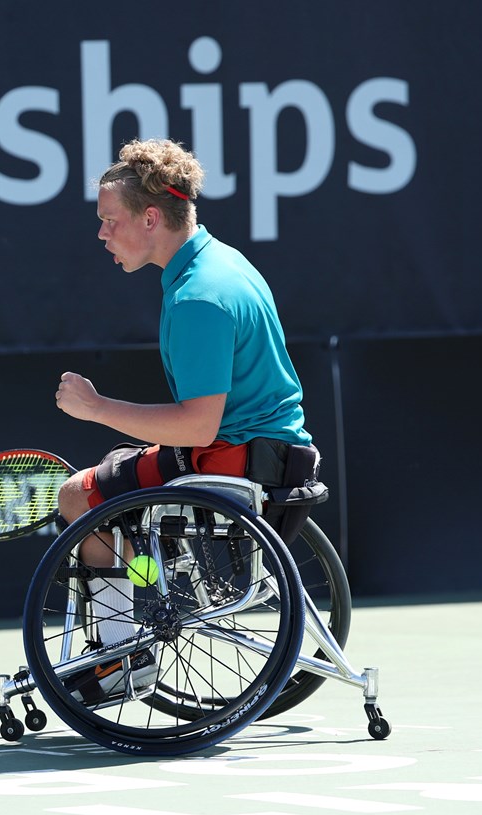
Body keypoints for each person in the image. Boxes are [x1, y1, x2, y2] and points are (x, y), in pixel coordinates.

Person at [53, 138, 319, 689]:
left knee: (79, 496)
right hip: (269, 452)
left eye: (109, 221)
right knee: (115, 469)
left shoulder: (198, 297)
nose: (101, 234)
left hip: (235, 462)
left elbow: (198, 425)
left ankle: (121, 659)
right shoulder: (221, 260)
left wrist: (97, 407)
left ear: (151, 217)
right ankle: (144, 583)